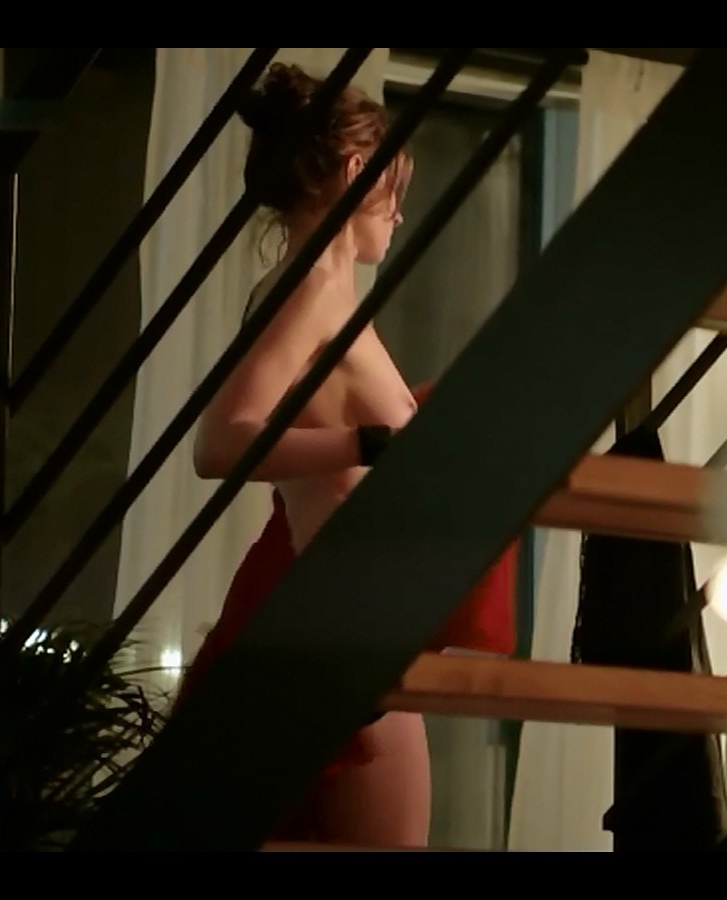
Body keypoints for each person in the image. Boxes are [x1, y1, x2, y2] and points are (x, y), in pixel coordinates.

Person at [177, 62, 516, 849]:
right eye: (396, 189)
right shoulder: (311, 292)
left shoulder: (315, 293)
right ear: (357, 172)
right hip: (338, 620)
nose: (399, 215)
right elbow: (221, 443)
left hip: (340, 611)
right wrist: (375, 443)